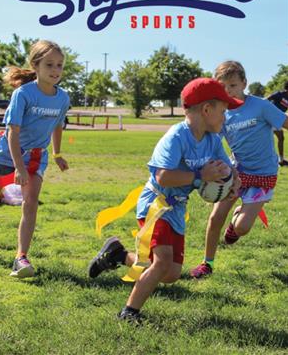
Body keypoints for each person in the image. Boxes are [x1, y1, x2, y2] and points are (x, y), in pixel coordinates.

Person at [88, 77, 242, 322]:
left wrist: (233, 182)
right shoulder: (176, 137)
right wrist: (200, 176)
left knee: (171, 273)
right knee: (161, 263)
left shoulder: (212, 140)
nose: (226, 117)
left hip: (177, 208)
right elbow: (163, 177)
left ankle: (118, 255)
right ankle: (129, 312)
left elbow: (228, 166)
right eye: (223, 111)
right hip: (156, 204)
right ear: (206, 109)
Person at [190, 61, 288, 279]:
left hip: (264, 174)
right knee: (216, 217)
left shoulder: (261, 106)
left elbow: (286, 123)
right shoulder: (221, 114)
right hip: (237, 172)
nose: (229, 91)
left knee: (242, 228)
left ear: (244, 83)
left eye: (233, 85)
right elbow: (213, 143)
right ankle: (207, 264)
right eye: (223, 88)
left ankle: (236, 225)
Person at [0, 40, 70, 278]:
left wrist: (56, 154)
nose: (55, 70)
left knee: (31, 201)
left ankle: (20, 257)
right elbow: (13, 132)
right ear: (35, 65)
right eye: (49, 65)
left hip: (37, 157)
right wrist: (18, 167)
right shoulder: (23, 94)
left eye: (59, 65)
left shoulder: (62, 97)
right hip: (8, 155)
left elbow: (57, 125)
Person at [266, 81, 288, 166]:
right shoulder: (279, 94)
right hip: (269, 119)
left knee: (281, 138)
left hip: (277, 120)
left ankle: (281, 160)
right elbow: (265, 100)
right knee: (268, 139)